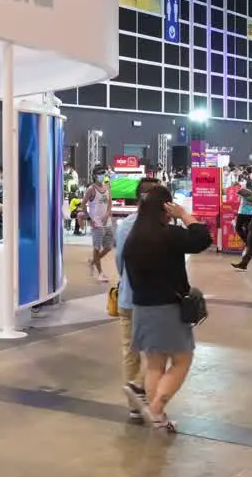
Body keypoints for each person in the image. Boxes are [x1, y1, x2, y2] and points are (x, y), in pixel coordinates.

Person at [122, 186, 213, 432]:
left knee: (155, 365)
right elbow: (203, 238)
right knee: (183, 359)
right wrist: (185, 215)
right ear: (166, 207)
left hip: (142, 307)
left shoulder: (133, 238)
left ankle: (158, 419)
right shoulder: (168, 234)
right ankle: (156, 409)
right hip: (168, 309)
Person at [113, 176, 162, 423]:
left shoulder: (125, 226)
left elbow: (120, 262)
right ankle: (142, 391)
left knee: (130, 351)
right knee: (159, 350)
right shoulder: (162, 227)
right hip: (154, 301)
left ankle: (134, 404)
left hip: (128, 297)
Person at [84, 165, 114, 283]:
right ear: (95, 176)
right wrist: (90, 219)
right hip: (96, 223)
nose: (102, 176)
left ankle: (92, 262)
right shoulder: (91, 189)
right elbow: (83, 204)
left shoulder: (107, 187)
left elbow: (110, 202)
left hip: (107, 222)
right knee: (97, 247)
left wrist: (108, 213)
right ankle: (100, 273)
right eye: (99, 174)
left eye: (103, 173)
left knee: (108, 247)